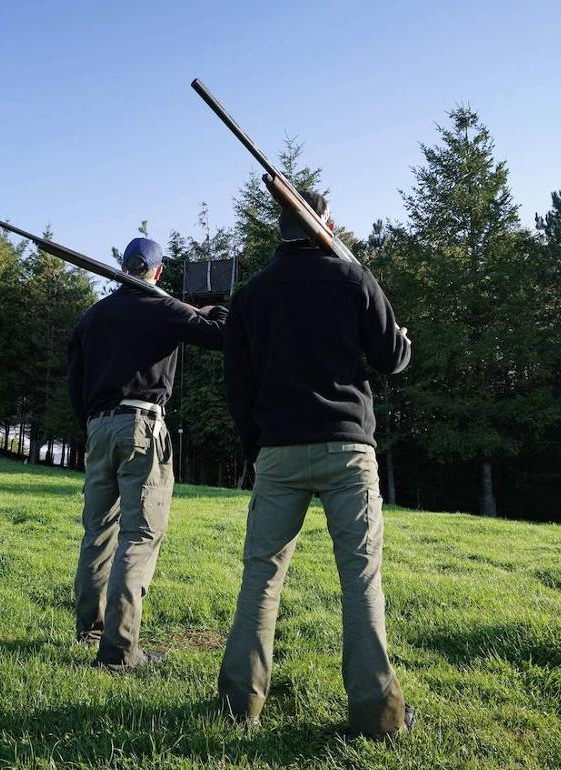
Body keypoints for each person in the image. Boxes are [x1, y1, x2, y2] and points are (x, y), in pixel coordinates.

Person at [217, 191, 414, 737]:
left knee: (261, 577)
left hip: (278, 451)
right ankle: (378, 717)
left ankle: (239, 705)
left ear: (280, 228)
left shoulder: (252, 295)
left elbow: (239, 385)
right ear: (326, 224)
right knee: (361, 580)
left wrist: (259, 442)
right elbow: (391, 358)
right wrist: (401, 339)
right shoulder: (353, 279)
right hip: (348, 450)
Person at [68, 236, 228, 670]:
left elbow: (74, 378)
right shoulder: (163, 307)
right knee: (139, 536)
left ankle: (90, 631)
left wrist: (92, 421)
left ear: (123, 267)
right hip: (141, 426)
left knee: (97, 533)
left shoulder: (93, 315)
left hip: (98, 427)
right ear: (157, 272)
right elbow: (222, 335)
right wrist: (211, 310)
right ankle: (119, 651)